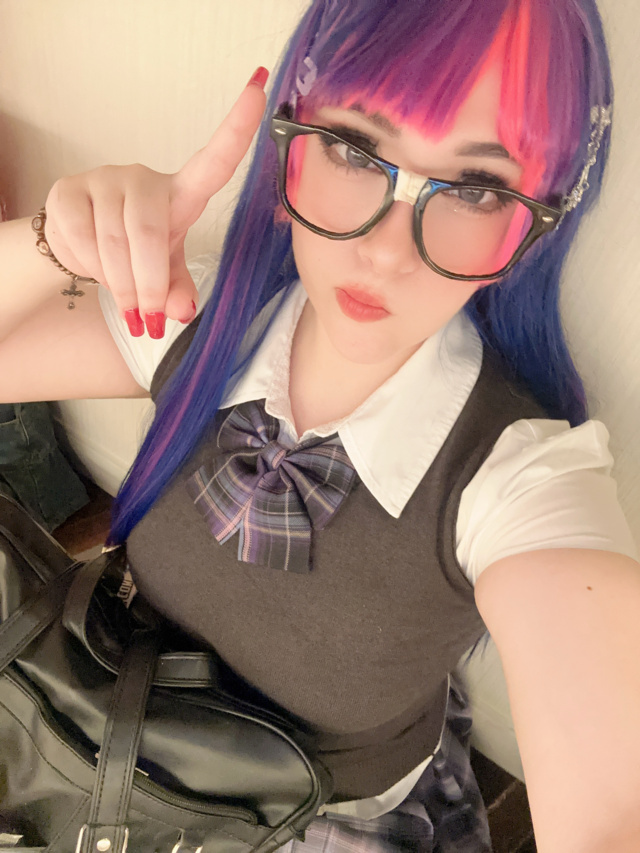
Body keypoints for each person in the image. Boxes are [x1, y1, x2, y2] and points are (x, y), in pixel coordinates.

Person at [1, 0, 639, 850]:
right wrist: (51, 240)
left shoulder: (517, 475)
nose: (386, 249)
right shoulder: (204, 319)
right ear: (289, 140)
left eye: (475, 189)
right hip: (138, 749)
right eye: (354, 149)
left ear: (535, 226)